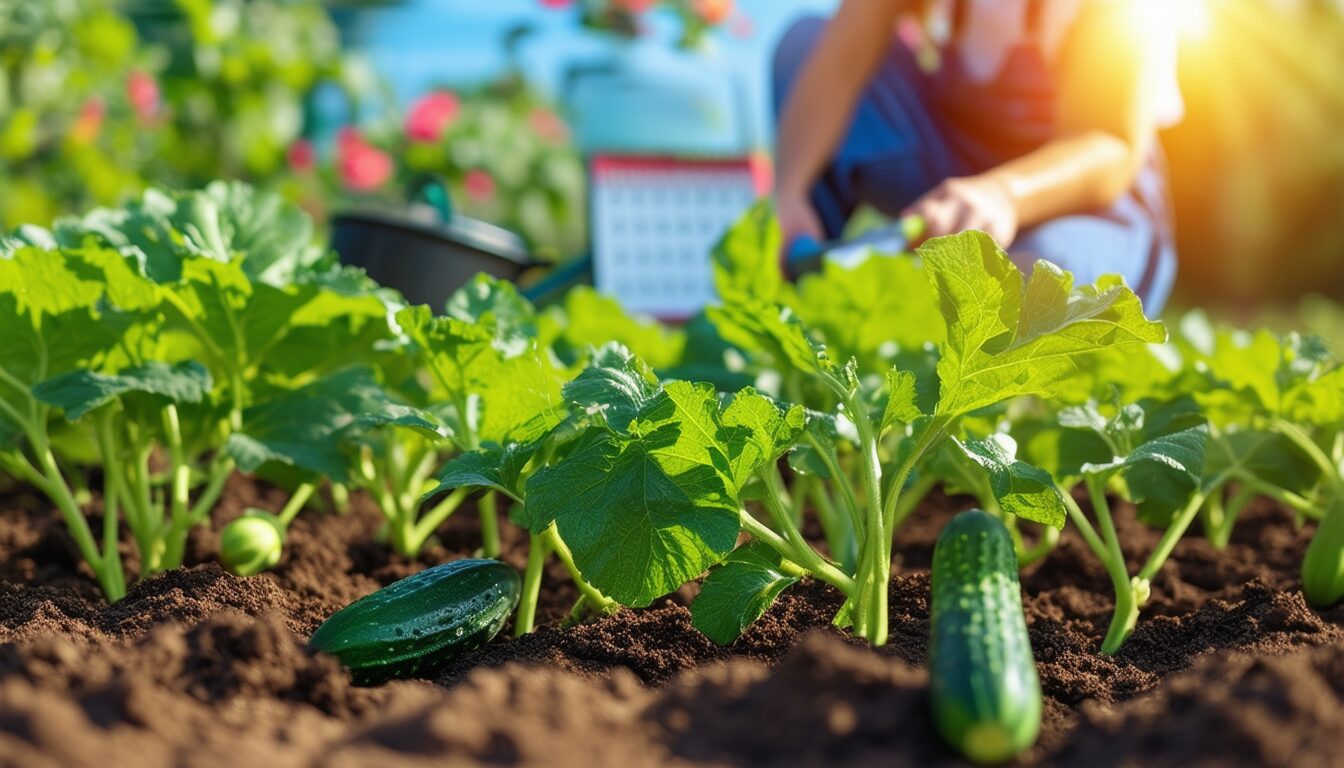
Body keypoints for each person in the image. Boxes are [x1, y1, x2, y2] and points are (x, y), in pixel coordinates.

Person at [773, 0, 1181, 314]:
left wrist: (1004, 194)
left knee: (1038, 281)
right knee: (805, 43)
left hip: (1090, 198)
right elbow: (839, 62)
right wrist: (789, 191)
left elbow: (1108, 140)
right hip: (955, 161)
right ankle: (802, 285)